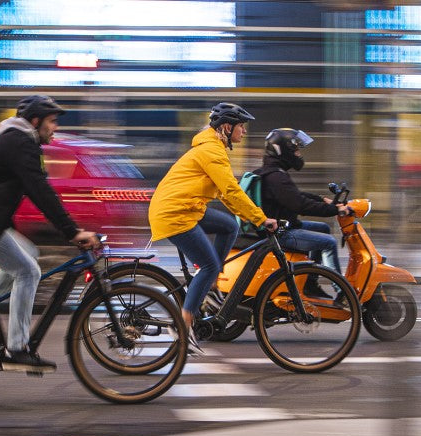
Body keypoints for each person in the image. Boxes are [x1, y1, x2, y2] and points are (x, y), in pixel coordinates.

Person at [0, 95, 99, 373]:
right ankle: (16, 349)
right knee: (28, 272)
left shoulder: (18, 141)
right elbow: (40, 192)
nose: (56, 128)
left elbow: (27, 190)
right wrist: (71, 231)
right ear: (35, 121)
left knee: (29, 255)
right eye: (52, 121)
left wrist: (64, 228)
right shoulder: (20, 143)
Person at [148, 102, 276, 352]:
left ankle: (211, 285)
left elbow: (226, 194)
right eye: (241, 126)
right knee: (208, 265)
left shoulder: (213, 148)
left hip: (187, 206)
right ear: (227, 127)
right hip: (175, 213)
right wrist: (260, 219)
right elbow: (231, 190)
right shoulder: (212, 151)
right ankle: (183, 326)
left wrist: (250, 216)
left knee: (229, 225)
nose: (244, 131)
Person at [251, 128, 351, 295]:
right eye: (295, 150)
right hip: (280, 234)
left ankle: (310, 282)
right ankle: (342, 292)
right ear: (282, 151)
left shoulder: (273, 173)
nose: (298, 154)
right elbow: (300, 205)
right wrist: (335, 209)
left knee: (324, 229)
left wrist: (322, 200)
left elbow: (294, 196)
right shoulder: (276, 177)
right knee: (328, 242)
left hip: (284, 227)